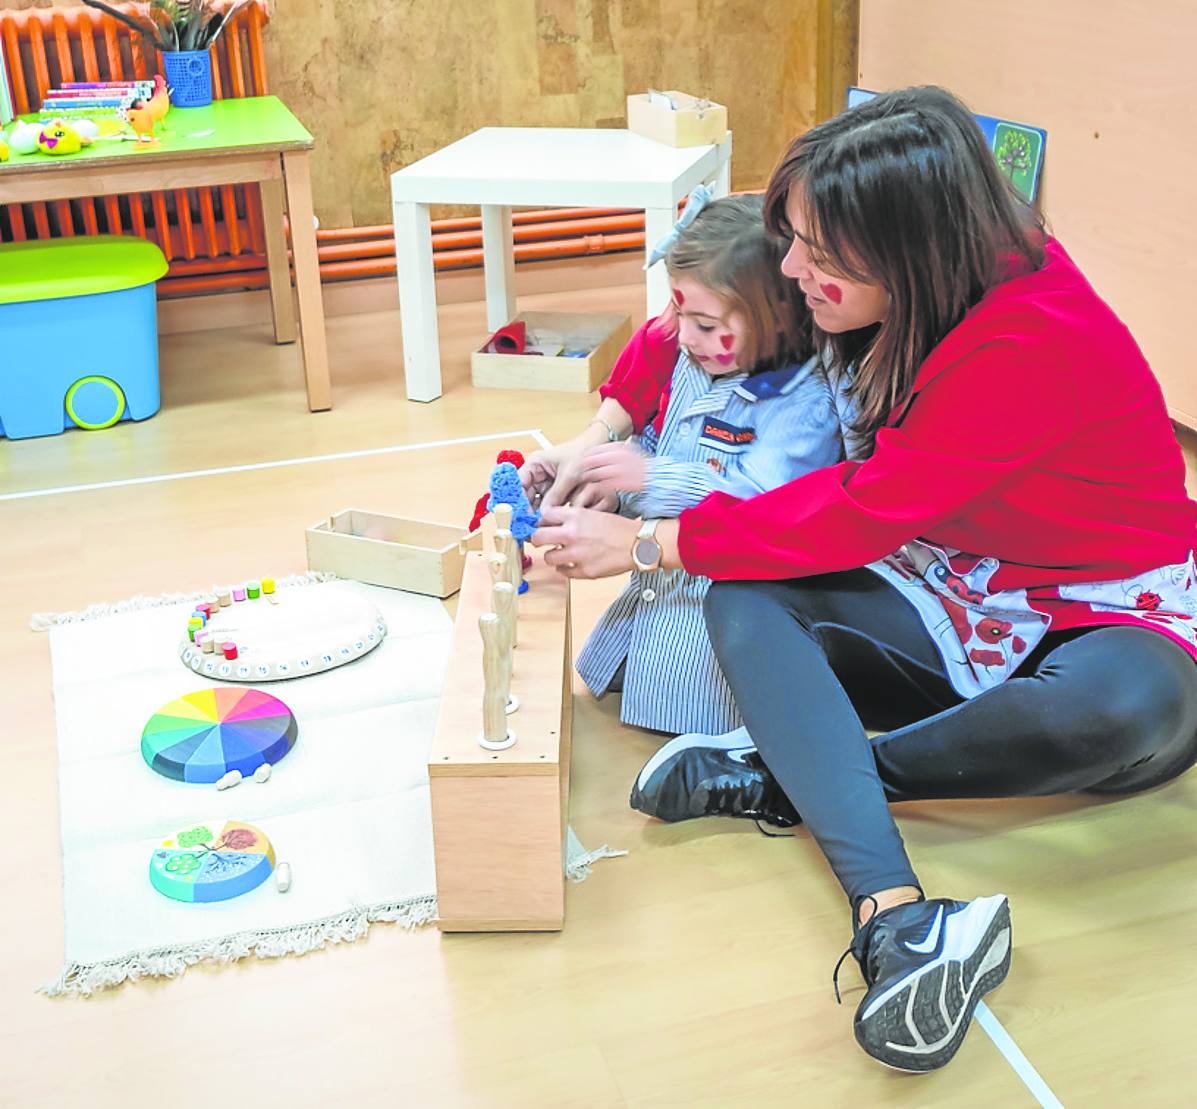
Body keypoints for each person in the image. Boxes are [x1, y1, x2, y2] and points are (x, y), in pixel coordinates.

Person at [529, 86, 1197, 1072]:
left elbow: (860, 509)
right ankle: (894, 907)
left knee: (1132, 713)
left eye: (817, 252)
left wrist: (649, 541)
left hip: (1105, 606)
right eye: (793, 240)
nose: (790, 268)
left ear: (901, 249)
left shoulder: (1028, 338)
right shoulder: (913, 269)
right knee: (748, 597)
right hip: (953, 581)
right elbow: (681, 320)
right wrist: (601, 429)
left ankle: (795, 780)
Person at [522, 190, 846, 747]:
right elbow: (660, 445)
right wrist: (613, 490)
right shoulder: (696, 365)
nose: (681, 335)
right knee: (623, 696)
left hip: (718, 618)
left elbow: (762, 504)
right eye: (678, 314)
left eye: (704, 323)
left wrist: (649, 478)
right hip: (657, 592)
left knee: (685, 721)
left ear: (774, 319)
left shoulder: (805, 405)